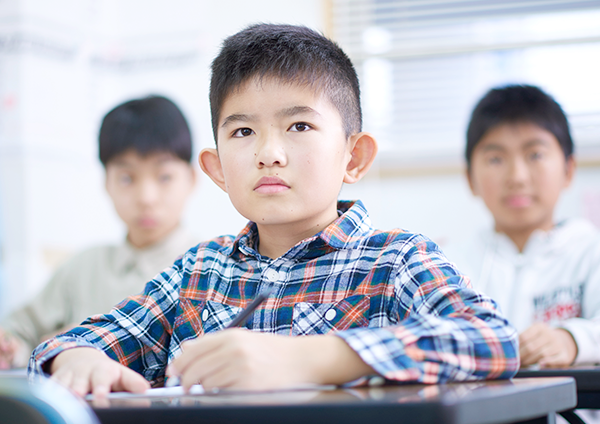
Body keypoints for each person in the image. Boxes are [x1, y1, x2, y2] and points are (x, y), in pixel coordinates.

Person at [30, 24, 518, 397]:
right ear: (218, 169)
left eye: (299, 126)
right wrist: (74, 358)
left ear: (354, 157)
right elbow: (69, 346)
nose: (269, 153)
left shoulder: (396, 261)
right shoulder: (197, 273)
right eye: (243, 132)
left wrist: (316, 360)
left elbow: (490, 340)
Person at [0, 95, 198, 368]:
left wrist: (79, 341)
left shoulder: (210, 268)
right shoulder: (81, 268)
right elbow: (18, 333)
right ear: (107, 182)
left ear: (191, 178)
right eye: (127, 178)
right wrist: (14, 349)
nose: (146, 197)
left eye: (164, 177)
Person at [446, 84, 600, 368]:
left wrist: (573, 340)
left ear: (568, 169)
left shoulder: (591, 251)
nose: (516, 177)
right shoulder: (449, 264)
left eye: (535, 155)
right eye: (495, 159)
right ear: (470, 178)